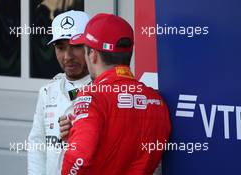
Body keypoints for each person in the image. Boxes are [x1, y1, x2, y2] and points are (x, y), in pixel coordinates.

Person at [61, 13, 171, 175]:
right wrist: (76, 136)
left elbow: (79, 158)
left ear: (93, 55)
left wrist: (76, 144)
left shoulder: (93, 96)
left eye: (85, 50)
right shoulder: (157, 102)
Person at [27, 10, 91, 175]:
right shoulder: (48, 91)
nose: (67, 56)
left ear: (91, 47)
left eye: (76, 46)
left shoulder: (105, 89)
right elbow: (37, 145)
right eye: (60, 47)